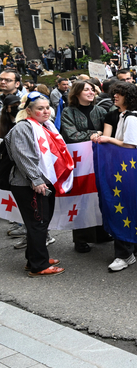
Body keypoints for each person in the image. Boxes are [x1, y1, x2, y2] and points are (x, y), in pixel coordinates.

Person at [5, 91, 73, 276]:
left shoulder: (46, 126)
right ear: (28, 110)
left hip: (42, 181)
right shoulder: (22, 128)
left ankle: (34, 258)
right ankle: (39, 266)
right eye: (39, 109)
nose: (45, 111)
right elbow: (23, 156)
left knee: (40, 222)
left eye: (47, 108)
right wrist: (35, 180)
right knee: (37, 223)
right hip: (29, 184)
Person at [93, 82, 137, 272]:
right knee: (131, 210)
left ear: (130, 97)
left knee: (122, 211)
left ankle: (124, 254)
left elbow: (130, 146)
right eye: (114, 93)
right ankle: (136, 245)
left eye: (120, 94)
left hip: (128, 172)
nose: (115, 96)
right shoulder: (126, 116)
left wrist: (108, 139)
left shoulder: (132, 119)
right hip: (130, 172)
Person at [60, 81, 110, 253]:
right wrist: (95, 134)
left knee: (98, 194)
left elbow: (110, 132)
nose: (91, 92)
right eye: (86, 90)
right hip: (79, 161)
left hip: (99, 158)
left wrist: (100, 134)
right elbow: (71, 135)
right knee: (81, 196)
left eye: (92, 89)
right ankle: (81, 238)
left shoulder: (101, 111)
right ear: (77, 93)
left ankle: (101, 233)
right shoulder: (68, 112)